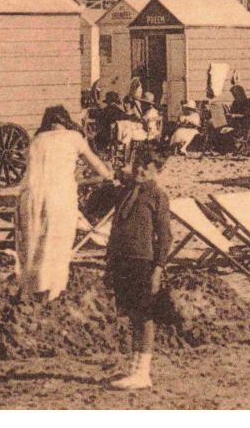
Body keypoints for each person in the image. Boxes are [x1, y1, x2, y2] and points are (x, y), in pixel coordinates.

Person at [16, 106, 116, 301]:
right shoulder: (74, 137)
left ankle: (29, 291)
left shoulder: (37, 140)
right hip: (58, 197)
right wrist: (110, 176)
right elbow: (96, 165)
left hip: (30, 196)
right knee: (57, 244)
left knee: (33, 244)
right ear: (66, 122)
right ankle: (52, 292)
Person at [104, 147, 170, 390]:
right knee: (132, 314)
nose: (140, 169)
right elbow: (115, 228)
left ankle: (144, 371)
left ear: (158, 171)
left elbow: (164, 237)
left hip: (143, 261)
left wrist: (158, 268)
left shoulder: (158, 197)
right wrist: (110, 261)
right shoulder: (124, 193)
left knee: (145, 317)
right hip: (122, 260)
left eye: (147, 166)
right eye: (137, 164)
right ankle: (134, 367)